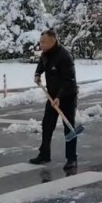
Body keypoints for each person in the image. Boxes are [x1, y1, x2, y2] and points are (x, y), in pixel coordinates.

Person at [30, 29, 78, 172]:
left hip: (67, 96)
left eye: (43, 42)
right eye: (40, 42)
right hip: (52, 96)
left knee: (68, 128)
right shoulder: (46, 54)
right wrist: (38, 74)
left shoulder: (65, 57)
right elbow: (42, 63)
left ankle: (71, 158)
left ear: (52, 41)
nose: (41, 44)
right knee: (47, 124)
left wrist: (59, 97)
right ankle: (44, 154)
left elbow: (69, 80)